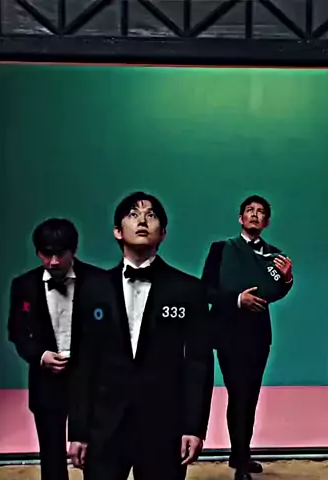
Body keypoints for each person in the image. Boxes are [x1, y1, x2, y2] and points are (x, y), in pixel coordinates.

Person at [68, 192, 214, 480]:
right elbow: (83, 363)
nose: (143, 221)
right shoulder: (92, 289)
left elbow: (198, 362)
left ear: (163, 233)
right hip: (104, 428)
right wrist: (78, 431)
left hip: (165, 427)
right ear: (117, 231)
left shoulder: (189, 290)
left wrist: (194, 427)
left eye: (151, 215)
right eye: (133, 215)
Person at [201, 195, 293, 480]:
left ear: (267, 222)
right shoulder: (220, 249)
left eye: (260, 212)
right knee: (239, 393)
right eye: (249, 210)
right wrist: (238, 300)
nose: (254, 214)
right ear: (240, 218)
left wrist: (287, 279)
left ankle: (240, 453)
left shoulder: (274, 255)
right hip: (227, 333)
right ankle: (241, 461)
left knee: (249, 396)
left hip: (258, 336)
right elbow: (205, 290)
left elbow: (275, 290)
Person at [7, 218, 103, 480]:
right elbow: (16, 332)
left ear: (74, 250)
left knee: (96, 457)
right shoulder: (23, 285)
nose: (53, 262)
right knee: (51, 460)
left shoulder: (99, 281)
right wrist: (40, 356)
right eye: (46, 254)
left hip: (91, 380)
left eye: (60, 254)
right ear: (37, 251)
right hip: (46, 380)